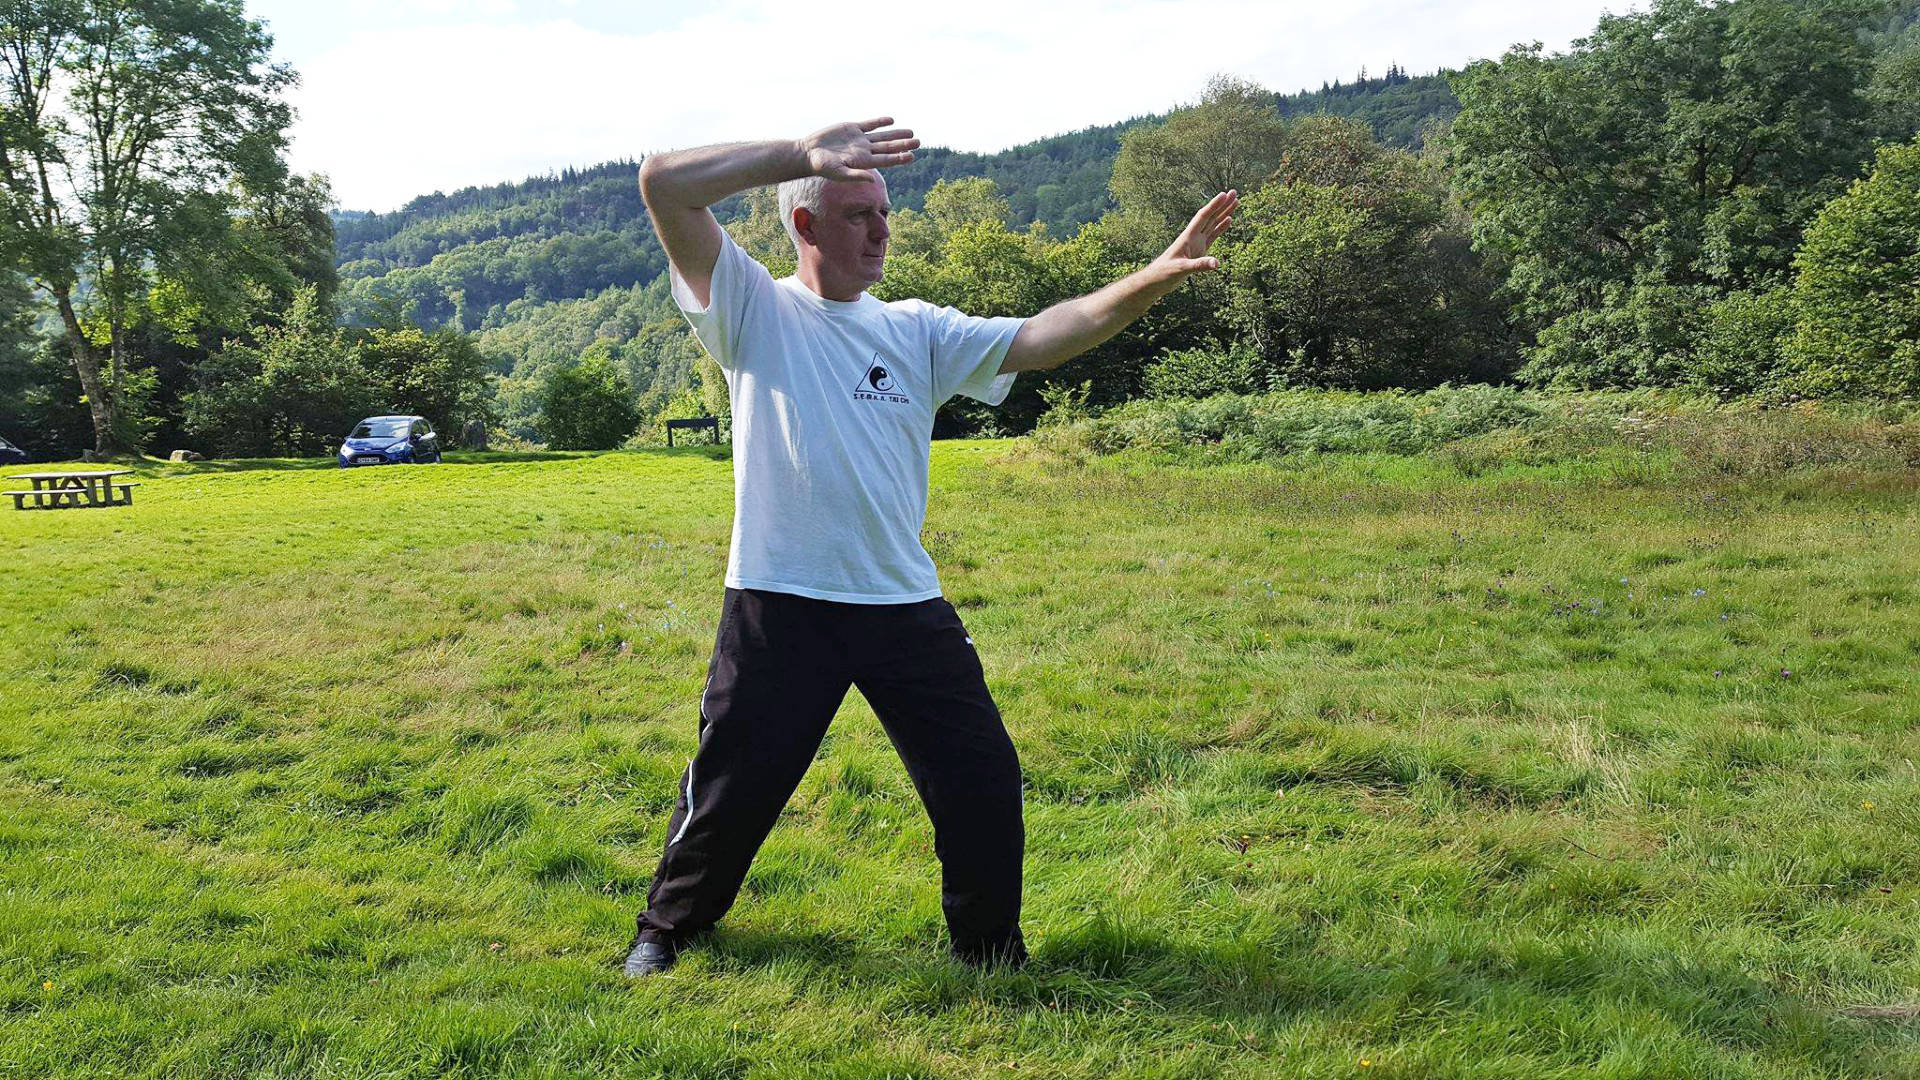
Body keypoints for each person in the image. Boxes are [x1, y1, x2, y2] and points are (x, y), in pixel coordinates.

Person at [624, 116, 1236, 976]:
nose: (881, 230)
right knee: (733, 785)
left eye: (884, 213)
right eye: (857, 213)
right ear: (803, 224)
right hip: (780, 597)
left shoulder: (916, 329)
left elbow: (1045, 335)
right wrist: (799, 155)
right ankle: (668, 928)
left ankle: (988, 950)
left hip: (900, 603)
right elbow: (663, 182)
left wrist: (1153, 279)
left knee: (980, 777)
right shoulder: (751, 310)